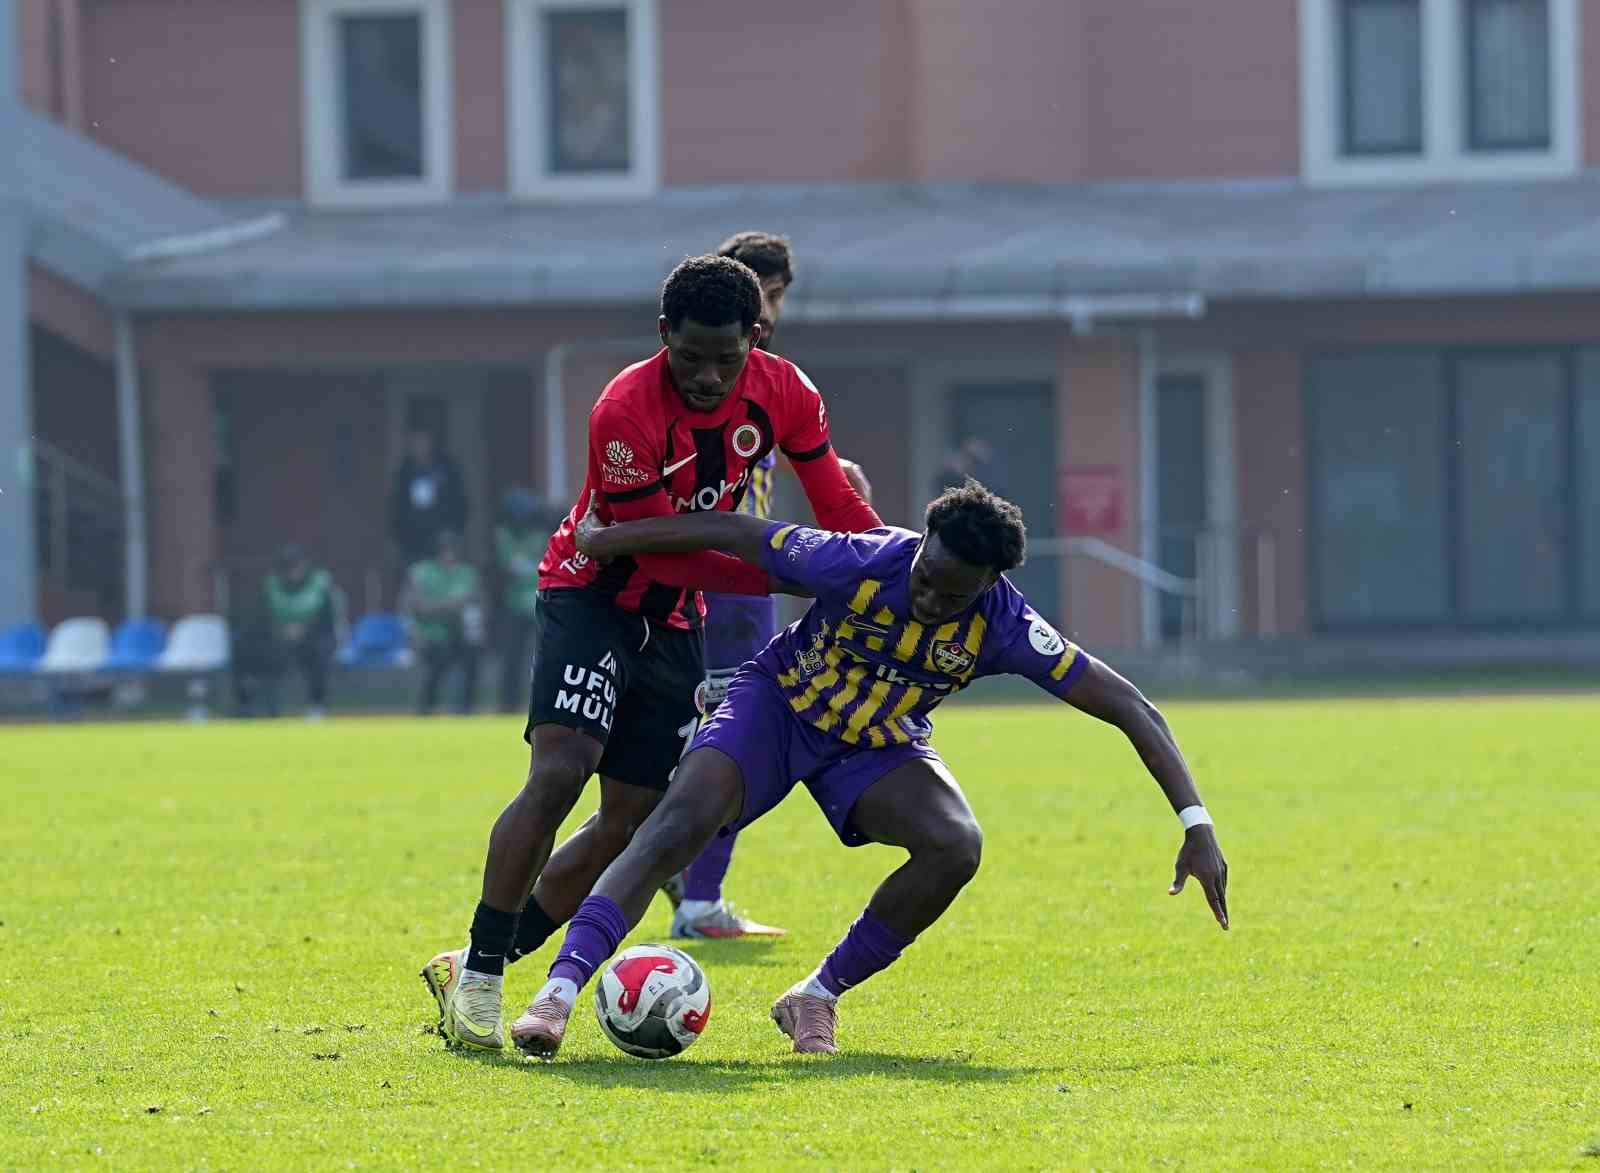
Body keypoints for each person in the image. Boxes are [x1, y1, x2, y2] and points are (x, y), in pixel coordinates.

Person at [510, 481, 1230, 1058]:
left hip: (876, 741)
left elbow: (1132, 707)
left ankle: (816, 995)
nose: (932, 601)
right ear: (921, 546)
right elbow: (735, 531)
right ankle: (560, 990)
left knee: (956, 843)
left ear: (991, 583)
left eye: (955, 595)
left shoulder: (1007, 624)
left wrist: (1195, 823)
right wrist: (608, 539)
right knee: (677, 824)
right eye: (929, 579)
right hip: (780, 705)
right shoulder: (859, 558)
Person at [419, 255, 880, 1053]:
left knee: (629, 822)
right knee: (561, 771)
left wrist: (880, 564)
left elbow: (835, 501)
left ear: (757, 338)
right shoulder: (623, 408)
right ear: (664, 333)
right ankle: (488, 979)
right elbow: (663, 552)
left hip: (675, 622)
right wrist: (794, 564)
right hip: (589, 592)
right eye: (689, 355)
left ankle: (474, 960)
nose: (705, 376)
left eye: (724, 359)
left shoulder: (789, 392)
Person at [662, 229, 871, 940]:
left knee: (688, 731)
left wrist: (836, 482)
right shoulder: (734, 372)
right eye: (767, 296)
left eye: (778, 296)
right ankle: (698, 899)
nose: (773, 313)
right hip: (731, 580)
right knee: (734, 732)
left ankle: (673, 866)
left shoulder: (756, 378)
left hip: (706, 568)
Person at [400, 530, 484, 716]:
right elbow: (418, 606)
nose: (449, 555)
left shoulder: (466, 573)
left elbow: (476, 602)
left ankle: (465, 711)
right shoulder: (421, 572)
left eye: (453, 551)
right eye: (445, 551)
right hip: (429, 635)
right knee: (435, 662)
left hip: (459, 634)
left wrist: (442, 606)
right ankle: (425, 712)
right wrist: (450, 605)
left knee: (472, 655)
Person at [495, 488, 561, 714]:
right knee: (512, 657)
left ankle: (544, 703)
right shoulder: (503, 535)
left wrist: (527, 567)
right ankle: (508, 703)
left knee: (543, 657)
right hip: (513, 605)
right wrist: (528, 567)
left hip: (537, 604)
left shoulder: (541, 535)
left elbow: (544, 566)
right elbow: (509, 568)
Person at [262, 544, 337, 719]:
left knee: (318, 653)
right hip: (280, 638)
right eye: (287, 567)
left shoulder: (320, 583)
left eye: (295, 566)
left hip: (315, 637)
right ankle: (268, 707)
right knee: (259, 652)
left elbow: (328, 618)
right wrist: (280, 631)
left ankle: (316, 706)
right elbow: (262, 618)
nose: (292, 572)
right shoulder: (272, 586)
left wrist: (305, 630)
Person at [391, 427, 468, 572]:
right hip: (413, 545)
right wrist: (400, 537)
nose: (418, 446)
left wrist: (454, 531)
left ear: (430, 442)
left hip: (443, 543)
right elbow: (397, 507)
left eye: (422, 441)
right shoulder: (405, 472)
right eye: (414, 442)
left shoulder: (446, 469)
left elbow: (459, 502)